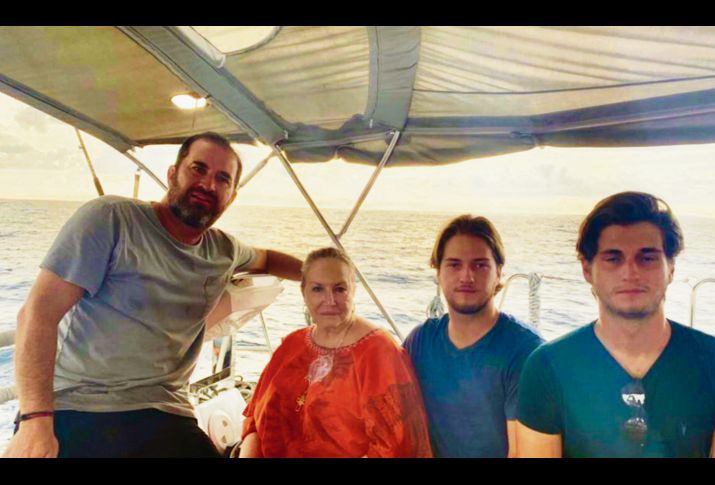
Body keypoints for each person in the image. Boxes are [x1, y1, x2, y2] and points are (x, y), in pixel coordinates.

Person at [3, 132, 303, 458]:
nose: (207, 184)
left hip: (165, 411)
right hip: (78, 405)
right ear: (173, 174)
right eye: (198, 169)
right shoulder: (111, 219)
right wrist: (35, 420)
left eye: (222, 179)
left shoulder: (224, 250)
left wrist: (322, 282)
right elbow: (37, 315)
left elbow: (270, 259)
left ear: (230, 196)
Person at [516, 191, 715, 458]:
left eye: (647, 257)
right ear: (587, 271)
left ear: (671, 268)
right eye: (613, 258)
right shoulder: (548, 367)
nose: (630, 272)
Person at [240, 247, 431, 458]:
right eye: (317, 289)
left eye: (339, 289)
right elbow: (253, 421)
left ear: (353, 290)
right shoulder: (292, 345)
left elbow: (398, 447)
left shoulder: (379, 352)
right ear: (303, 292)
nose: (330, 300)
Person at [403, 215, 543, 458]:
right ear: (438, 272)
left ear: (498, 272)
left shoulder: (525, 352)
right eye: (454, 265)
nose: (466, 276)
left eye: (480, 265)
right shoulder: (420, 341)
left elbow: (523, 453)